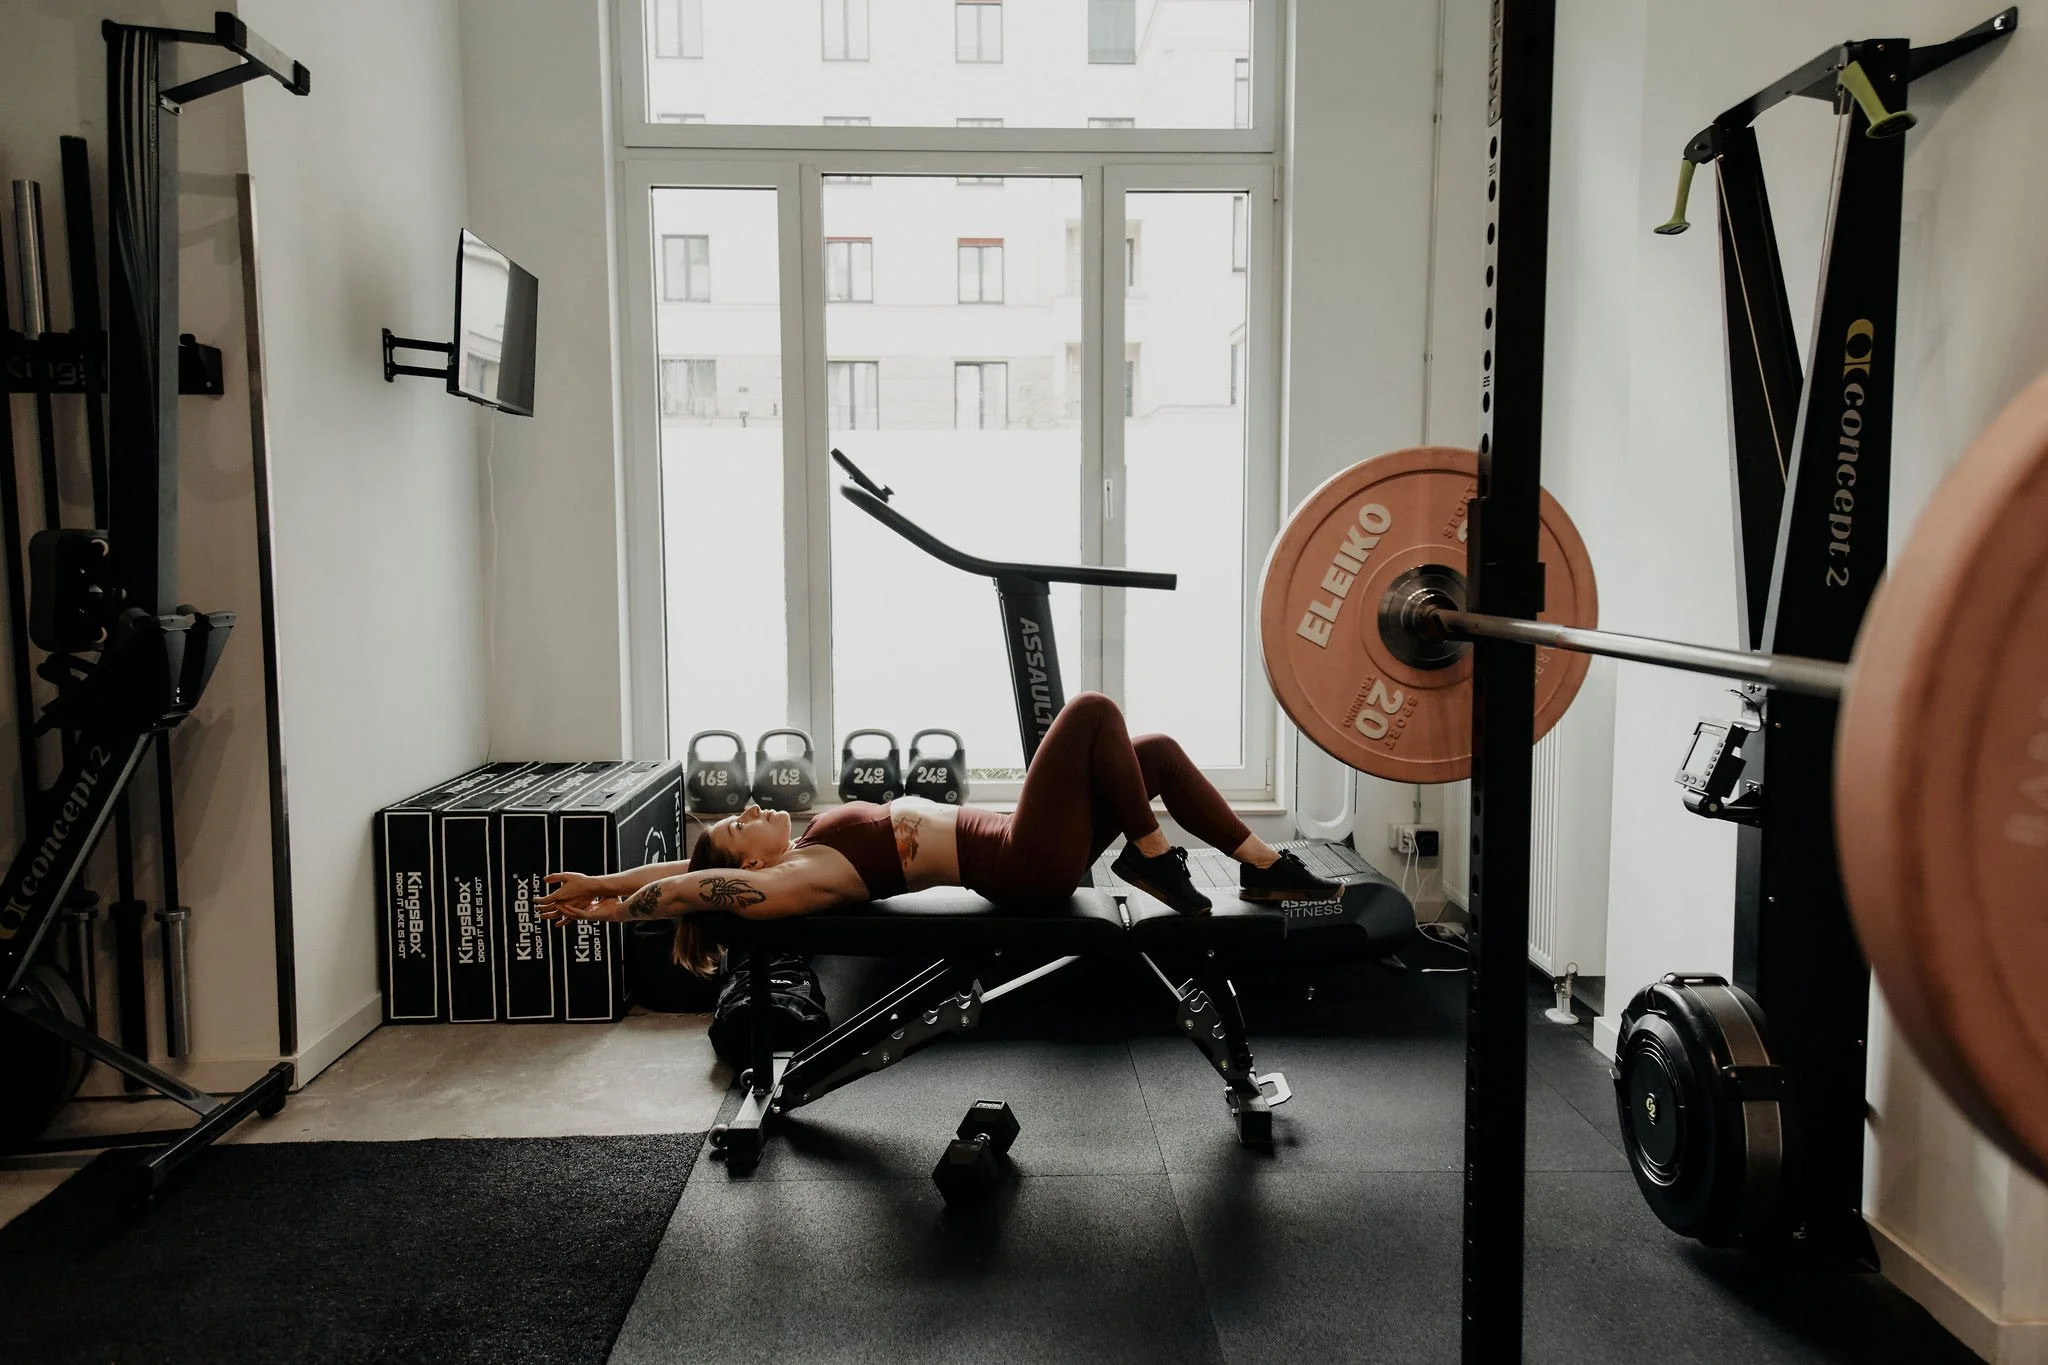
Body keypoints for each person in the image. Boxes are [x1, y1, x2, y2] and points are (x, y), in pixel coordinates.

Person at [537, 692, 1341, 974]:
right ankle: (1156, 858)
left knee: (1155, 753)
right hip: (1025, 863)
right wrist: (625, 911)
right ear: (749, 867)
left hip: (1026, 842)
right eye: (739, 827)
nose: (747, 811)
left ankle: (1264, 866)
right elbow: (691, 884)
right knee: (1092, 709)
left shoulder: (806, 840)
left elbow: (686, 867)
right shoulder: (793, 880)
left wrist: (601, 884)